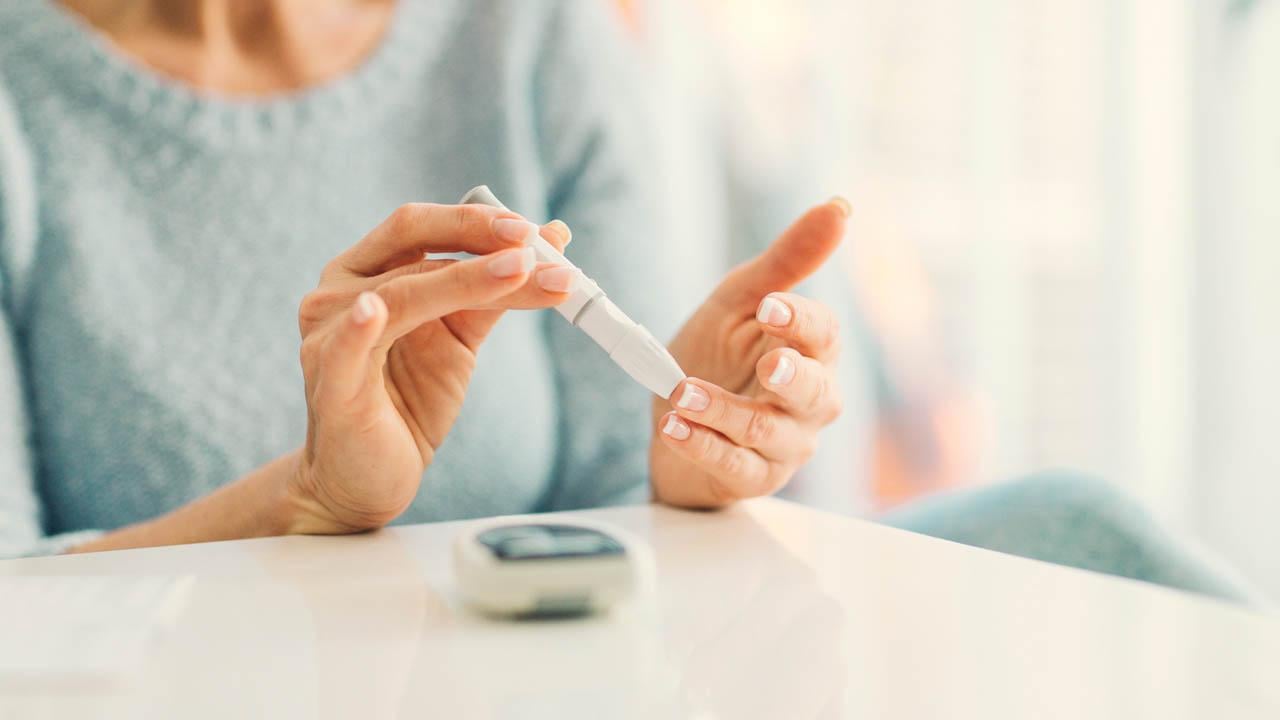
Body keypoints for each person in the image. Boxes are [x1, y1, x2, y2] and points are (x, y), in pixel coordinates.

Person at [0, 0, 1260, 604]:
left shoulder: (525, 36)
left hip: (565, 675)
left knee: (1083, 534)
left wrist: (690, 464)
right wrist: (305, 504)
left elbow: (634, 531)